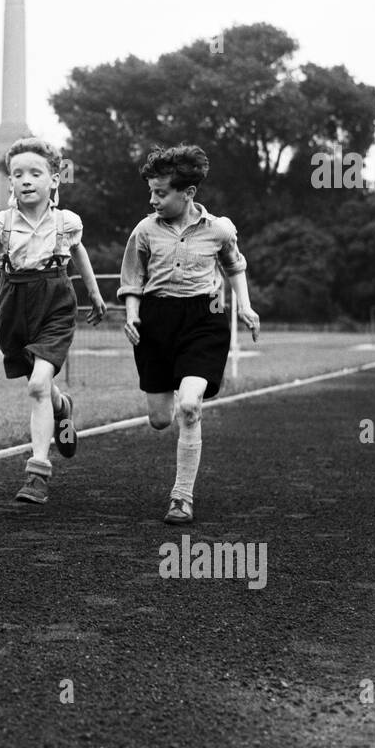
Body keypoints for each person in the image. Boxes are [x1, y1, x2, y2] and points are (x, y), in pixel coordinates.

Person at [117, 144, 260, 525]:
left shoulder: (220, 229)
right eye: (150, 192)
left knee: (190, 406)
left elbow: (234, 266)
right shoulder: (144, 230)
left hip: (204, 319)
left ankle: (181, 497)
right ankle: (174, 405)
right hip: (155, 321)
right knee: (161, 419)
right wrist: (132, 315)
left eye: (160, 193)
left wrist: (244, 306)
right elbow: (133, 278)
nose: (153, 200)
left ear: (188, 193)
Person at [0, 137, 106, 504]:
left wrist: (95, 294)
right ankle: (63, 407)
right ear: (10, 183)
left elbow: (78, 253)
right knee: (40, 385)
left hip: (55, 301)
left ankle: (37, 473)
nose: (26, 180)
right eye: (17, 174)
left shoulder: (66, 221)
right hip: (13, 306)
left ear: (54, 180)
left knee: (38, 384)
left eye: (35, 173)